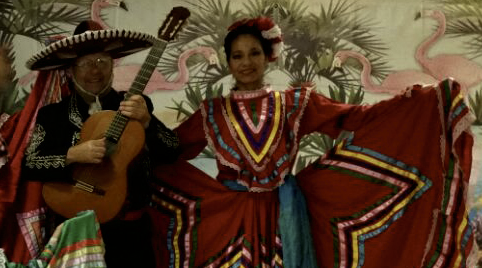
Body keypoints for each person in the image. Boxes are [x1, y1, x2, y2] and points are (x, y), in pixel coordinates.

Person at [149, 16, 477, 267]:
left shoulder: (294, 103)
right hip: (229, 217)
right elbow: (171, 152)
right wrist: (141, 128)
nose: (246, 62)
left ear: (268, 57)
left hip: (287, 212)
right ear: (228, 62)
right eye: (237, 56)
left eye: (253, 53)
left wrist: (407, 103)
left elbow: (354, 117)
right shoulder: (212, 112)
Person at [20, 20, 179, 267]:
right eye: (85, 63)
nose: (94, 71)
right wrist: (72, 154)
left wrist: (147, 122)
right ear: (71, 69)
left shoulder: (136, 104)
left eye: (101, 62)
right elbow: (29, 164)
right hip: (74, 234)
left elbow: (172, 151)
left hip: (132, 233)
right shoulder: (53, 115)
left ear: (112, 66)